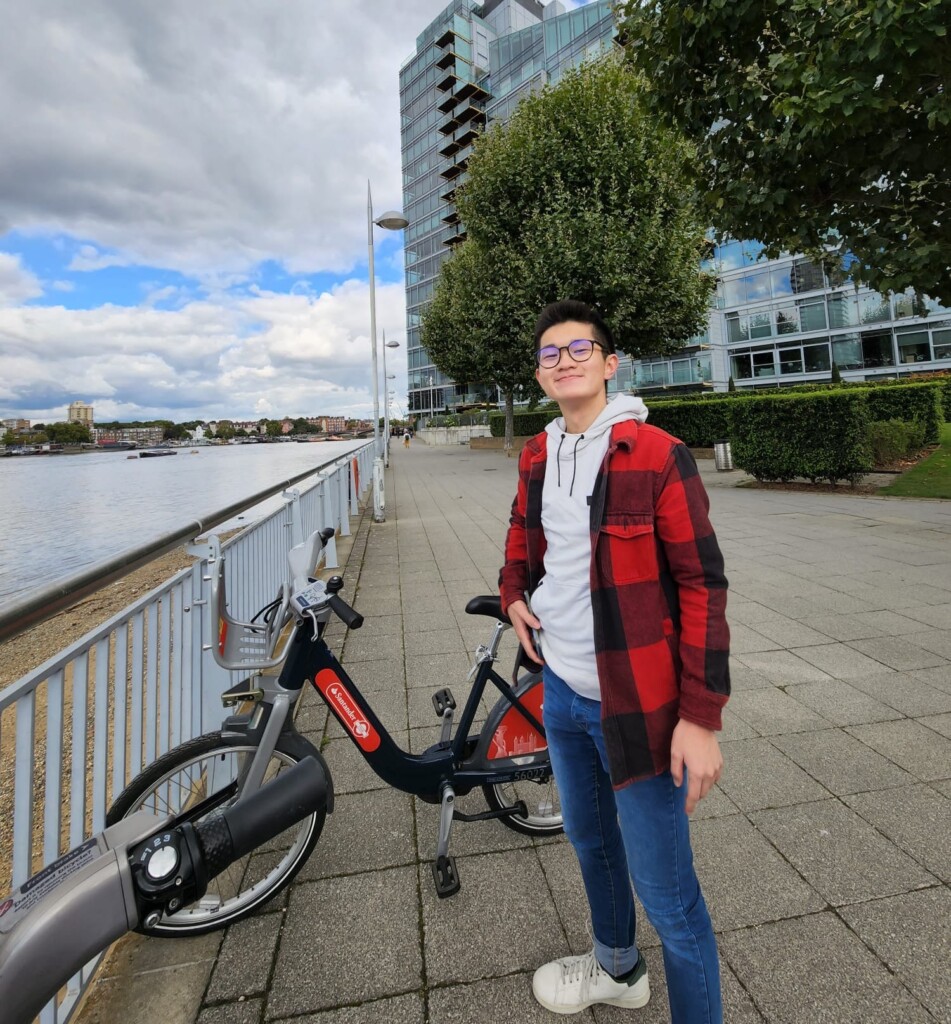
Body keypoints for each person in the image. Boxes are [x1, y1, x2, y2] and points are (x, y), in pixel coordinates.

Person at [499, 300, 730, 1021]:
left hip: (637, 707)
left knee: (669, 895)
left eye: (578, 349)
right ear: (539, 373)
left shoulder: (656, 454)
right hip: (560, 690)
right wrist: (512, 596)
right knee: (589, 838)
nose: (562, 361)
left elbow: (701, 584)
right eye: (549, 353)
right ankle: (617, 970)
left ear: (608, 363)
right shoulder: (537, 453)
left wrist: (699, 717)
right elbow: (521, 538)